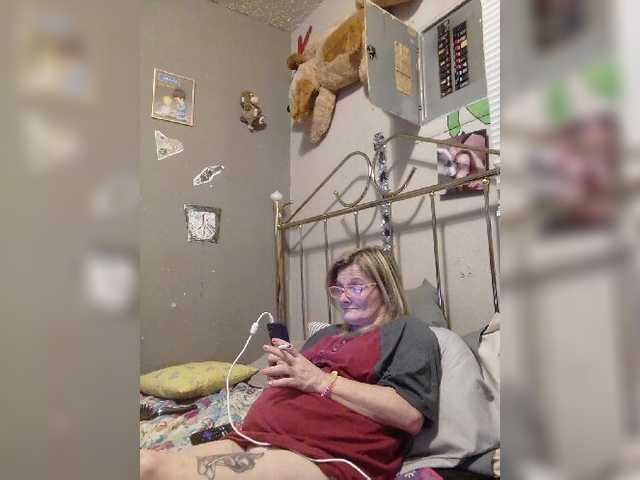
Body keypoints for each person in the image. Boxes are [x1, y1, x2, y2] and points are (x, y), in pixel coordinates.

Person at [140, 246, 442, 480]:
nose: (343, 298)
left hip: (318, 454)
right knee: (145, 464)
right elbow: (299, 380)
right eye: (338, 289)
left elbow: (408, 416)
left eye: (356, 286)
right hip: (251, 436)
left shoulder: (409, 331)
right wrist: (284, 371)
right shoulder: (325, 334)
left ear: (386, 288)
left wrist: (319, 380)